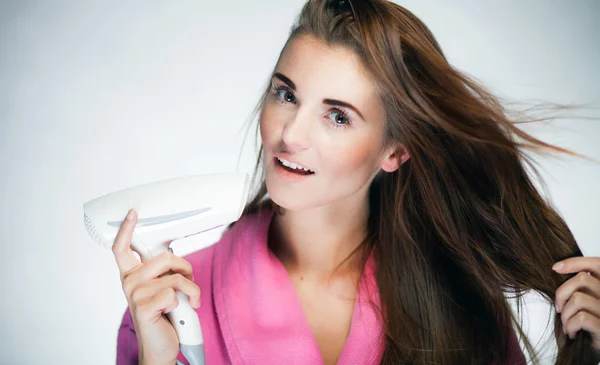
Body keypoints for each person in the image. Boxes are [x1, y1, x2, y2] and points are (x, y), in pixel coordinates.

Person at [112, 0, 600, 364]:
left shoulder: (461, 303)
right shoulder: (171, 301)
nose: (291, 134)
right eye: (286, 94)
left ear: (395, 151)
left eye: (338, 117)